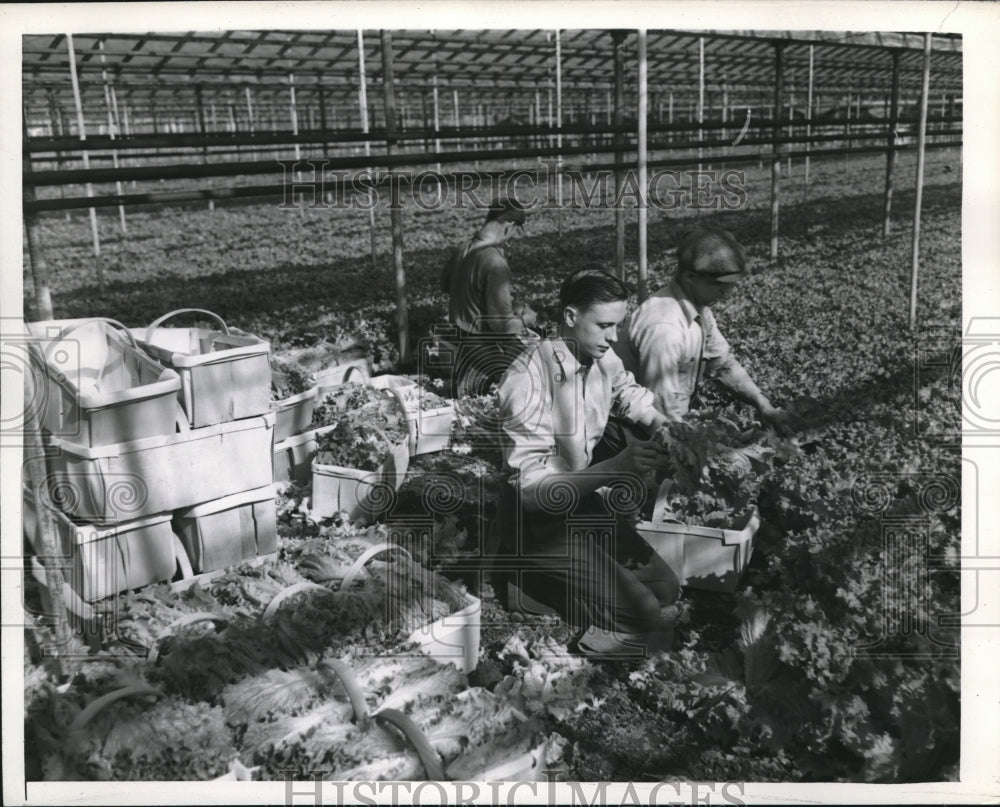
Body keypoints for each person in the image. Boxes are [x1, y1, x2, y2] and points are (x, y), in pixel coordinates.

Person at [493, 267, 680, 657]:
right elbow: (530, 492)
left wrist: (670, 431)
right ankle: (521, 577)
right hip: (537, 523)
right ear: (570, 317)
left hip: (580, 501)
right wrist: (617, 467)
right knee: (644, 613)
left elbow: (630, 395)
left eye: (618, 325)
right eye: (605, 325)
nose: (614, 337)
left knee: (667, 589)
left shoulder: (600, 356)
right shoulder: (526, 381)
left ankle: (548, 584)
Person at [612, 226, 794, 441]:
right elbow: (660, 416)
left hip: (671, 427)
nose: (727, 293)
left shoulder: (698, 309)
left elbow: (723, 364)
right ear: (689, 277)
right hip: (633, 437)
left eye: (731, 285)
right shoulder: (665, 328)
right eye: (719, 285)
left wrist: (763, 404)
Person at [440, 195, 535, 396]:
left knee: (468, 405)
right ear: (509, 226)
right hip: (484, 346)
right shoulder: (494, 261)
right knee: (537, 373)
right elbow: (501, 326)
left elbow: (448, 286)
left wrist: (504, 304)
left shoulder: (463, 248)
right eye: (514, 232)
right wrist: (525, 319)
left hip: (462, 342)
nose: (511, 238)